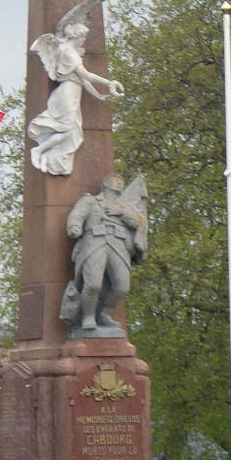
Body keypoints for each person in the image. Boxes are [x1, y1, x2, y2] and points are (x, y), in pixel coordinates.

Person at [28, 22, 124, 175]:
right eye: (83, 37)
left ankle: (46, 155)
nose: (84, 41)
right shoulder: (69, 53)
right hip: (66, 95)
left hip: (73, 95)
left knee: (74, 134)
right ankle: (38, 150)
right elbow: (86, 75)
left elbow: (83, 81)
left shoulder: (71, 52)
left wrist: (98, 95)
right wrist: (108, 82)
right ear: (77, 36)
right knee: (67, 130)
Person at [66, 173, 145, 333]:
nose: (119, 184)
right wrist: (74, 227)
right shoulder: (91, 201)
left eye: (121, 183)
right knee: (93, 284)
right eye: (115, 182)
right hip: (95, 241)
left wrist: (120, 212)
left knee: (122, 287)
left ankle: (103, 314)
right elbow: (77, 214)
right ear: (105, 185)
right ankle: (88, 317)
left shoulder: (124, 206)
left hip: (118, 244)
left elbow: (138, 222)